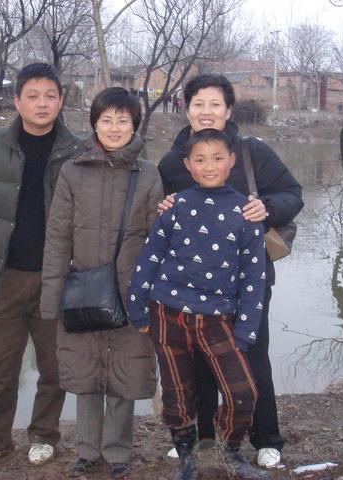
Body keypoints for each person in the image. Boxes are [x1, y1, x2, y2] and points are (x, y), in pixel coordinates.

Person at [157, 73, 304, 469]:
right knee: (198, 363)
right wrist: (162, 209)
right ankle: (202, 437)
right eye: (198, 104)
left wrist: (266, 209)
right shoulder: (173, 162)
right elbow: (157, 217)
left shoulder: (252, 153)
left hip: (247, 282)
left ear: (228, 110)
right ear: (185, 108)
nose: (207, 112)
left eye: (215, 105)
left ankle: (266, 437)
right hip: (191, 286)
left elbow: (293, 194)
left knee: (252, 357)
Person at [0, 63, 81, 467]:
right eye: (33, 95)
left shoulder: (77, 152)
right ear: (17, 100)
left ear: (61, 100)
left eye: (50, 96)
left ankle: (45, 434)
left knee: (55, 365)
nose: (42, 104)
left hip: (57, 278)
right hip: (1, 276)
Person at [127, 128, 269, 479]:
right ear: (188, 165)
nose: (209, 167)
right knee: (177, 396)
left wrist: (246, 328)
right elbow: (149, 257)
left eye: (218, 158)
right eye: (200, 160)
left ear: (231, 161)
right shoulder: (176, 206)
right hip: (167, 313)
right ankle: (187, 455)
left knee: (243, 393)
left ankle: (230, 449)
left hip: (219, 318)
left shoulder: (246, 214)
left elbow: (254, 276)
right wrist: (138, 307)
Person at [41, 87, 163, 479]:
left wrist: (150, 295)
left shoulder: (147, 174)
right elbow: (58, 237)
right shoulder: (73, 171)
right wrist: (51, 297)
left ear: (134, 126)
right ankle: (87, 450)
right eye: (106, 119)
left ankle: (118, 451)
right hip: (82, 291)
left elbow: (157, 239)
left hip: (131, 291)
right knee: (87, 374)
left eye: (122, 120)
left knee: (124, 375)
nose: (114, 128)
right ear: (94, 123)